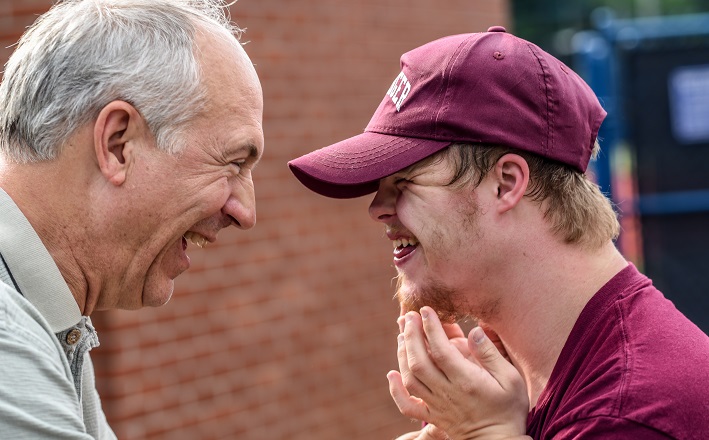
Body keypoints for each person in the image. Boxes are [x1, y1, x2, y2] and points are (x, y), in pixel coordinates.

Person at [289, 26, 709, 439]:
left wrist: (486, 434)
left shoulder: (628, 414)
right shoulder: (497, 380)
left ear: (506, 183)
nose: (377, 209)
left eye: (403, 182)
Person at [0, 0, 263, 438]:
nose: (246, 212)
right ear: (118, 144)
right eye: (233, 163)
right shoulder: (8, 339)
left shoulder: (47, 319)